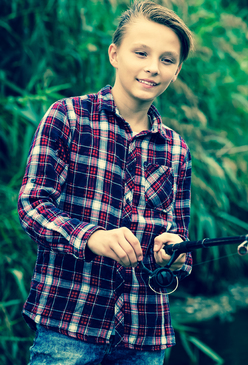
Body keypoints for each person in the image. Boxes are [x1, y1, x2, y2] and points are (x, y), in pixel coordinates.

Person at [17, 1, 194, 364]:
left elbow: (182, 242)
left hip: (145, 337)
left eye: (166, 59)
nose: (152, 68)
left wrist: (175, 253)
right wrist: (92, 236)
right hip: (68, 327)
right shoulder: (67, 116)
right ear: (115, 54)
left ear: (176, 71)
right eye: (140, 53)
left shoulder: (176, 148)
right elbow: (32, 206)